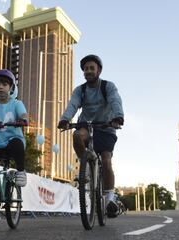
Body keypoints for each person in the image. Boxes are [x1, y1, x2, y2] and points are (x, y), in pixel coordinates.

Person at [57, 54, 124, 218]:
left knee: (106, 160)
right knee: (76, 136)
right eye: (86, 69)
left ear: (99, 70)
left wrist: (118, 117)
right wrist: (65, 119)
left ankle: (109, 199)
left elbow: (115, 100)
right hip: (86, 125)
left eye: (91, 68)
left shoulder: (107, 86)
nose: (88, 71)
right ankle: (85, 166)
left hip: (106, 127)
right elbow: (73, 104)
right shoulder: (80, 90)